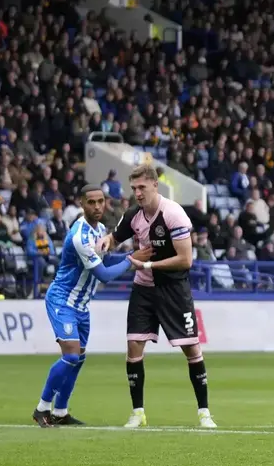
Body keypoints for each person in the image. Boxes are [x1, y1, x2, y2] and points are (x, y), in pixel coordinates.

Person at [100, 165, 216, 429]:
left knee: (192, 349)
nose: (137, 193)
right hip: (144, 289)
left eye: (142, 187)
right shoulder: (133, 215)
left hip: (174, 289)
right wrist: (107, 241)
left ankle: (204, 413)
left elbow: (185, 260)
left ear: (155, 185)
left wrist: (149, 265)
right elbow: (115, 237)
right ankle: (138, 412)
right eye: (134, 189)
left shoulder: (174, 214)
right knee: (133, 348)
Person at [33, 186, 152, 427]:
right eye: (92, 202)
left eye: (101, 202)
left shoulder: (99, 230)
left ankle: (60, 412)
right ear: (81, 204)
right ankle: (42, 408)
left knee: (78, 359)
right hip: (62, 300)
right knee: (70, 356)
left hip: (81, 306)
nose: (97, 207)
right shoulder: (80, 236)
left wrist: (134, 256)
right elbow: (104, 275)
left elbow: (106, 260)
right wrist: (132, 261)